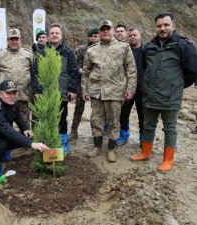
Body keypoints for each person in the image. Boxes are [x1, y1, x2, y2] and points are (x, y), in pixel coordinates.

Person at [131, 12, 197, 172]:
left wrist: (176, 85)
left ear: (173, 26)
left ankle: (168, 159)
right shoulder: (149, 47)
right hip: (150, 95)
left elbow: (192, 71)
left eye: (166, 25)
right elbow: (146, 68)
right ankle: (146, 152)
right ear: (156, 27)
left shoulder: (183, 45)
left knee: (170, 128)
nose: (162, 28)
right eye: (159, 26)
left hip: (170, 97)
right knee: (148, 126)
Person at [82, 19, 137, 162]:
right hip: (96, 91)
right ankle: (97, 147)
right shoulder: (91, 50)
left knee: (114, 121)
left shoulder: (124, 47)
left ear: (112, 31)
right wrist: (85, 89)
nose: (105, 31)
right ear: (99, 32)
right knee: (96, 120)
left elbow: (131, 70)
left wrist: (130, 89)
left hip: (115, 91)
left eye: (108, 29)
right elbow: (86, 72)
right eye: (103, 29)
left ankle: (111, 149)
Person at [0, 79, 48, 178]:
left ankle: (3, 152)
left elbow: (18, 117)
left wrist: (25, 129)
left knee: (25, 136)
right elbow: (7, 130)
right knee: (1, 145)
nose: (12, 96)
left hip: (1, 133)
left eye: (14, 93)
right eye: (8, 93)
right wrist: (31, 144)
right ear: (0, 94)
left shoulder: (13, 103)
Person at [32, 23, 79, 154]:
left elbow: (74, 72)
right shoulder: (41, 53)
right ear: (47, 37)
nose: (54, 35)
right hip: (45, 93)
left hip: (61, 93)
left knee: (62, 118)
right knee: (45, 118)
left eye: (57, 33)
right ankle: (45, 143)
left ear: (61, 36)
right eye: (52, 33)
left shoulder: (68, 52)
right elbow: (35, 73)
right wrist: (37, 91)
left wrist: (72, 90)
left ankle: (63, 144)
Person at [0, 28, 34, 127]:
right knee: (5, 125)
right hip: (5, 98)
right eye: (11, 39)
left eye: (16, 39)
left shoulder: (28, 54)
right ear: (7, 40)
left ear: (20, 40)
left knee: (24, 125)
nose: (14, 41)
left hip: (23, 96)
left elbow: (33, 72)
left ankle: (25, 142)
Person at [69, 28, 99, 140]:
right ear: (88, 37)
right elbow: (73, 63)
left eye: (95, 36)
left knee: (97, 110)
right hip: (82, 83)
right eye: (91, 36)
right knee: (78, 108)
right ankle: (73, 130)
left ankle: (96, 134)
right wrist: (79, 70)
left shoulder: (102, 49)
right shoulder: (81, 49)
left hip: (97, 84)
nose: (93, 38)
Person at [116, 28, 144, 146]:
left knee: (143, 116)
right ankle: (124, 135)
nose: (132, 37)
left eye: (135, 35)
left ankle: (143, 139)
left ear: (140, 36)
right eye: (130, 35)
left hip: (142, 89)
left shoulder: (146, 50)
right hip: (127, 88)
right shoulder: (125, 50)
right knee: (123, 114)